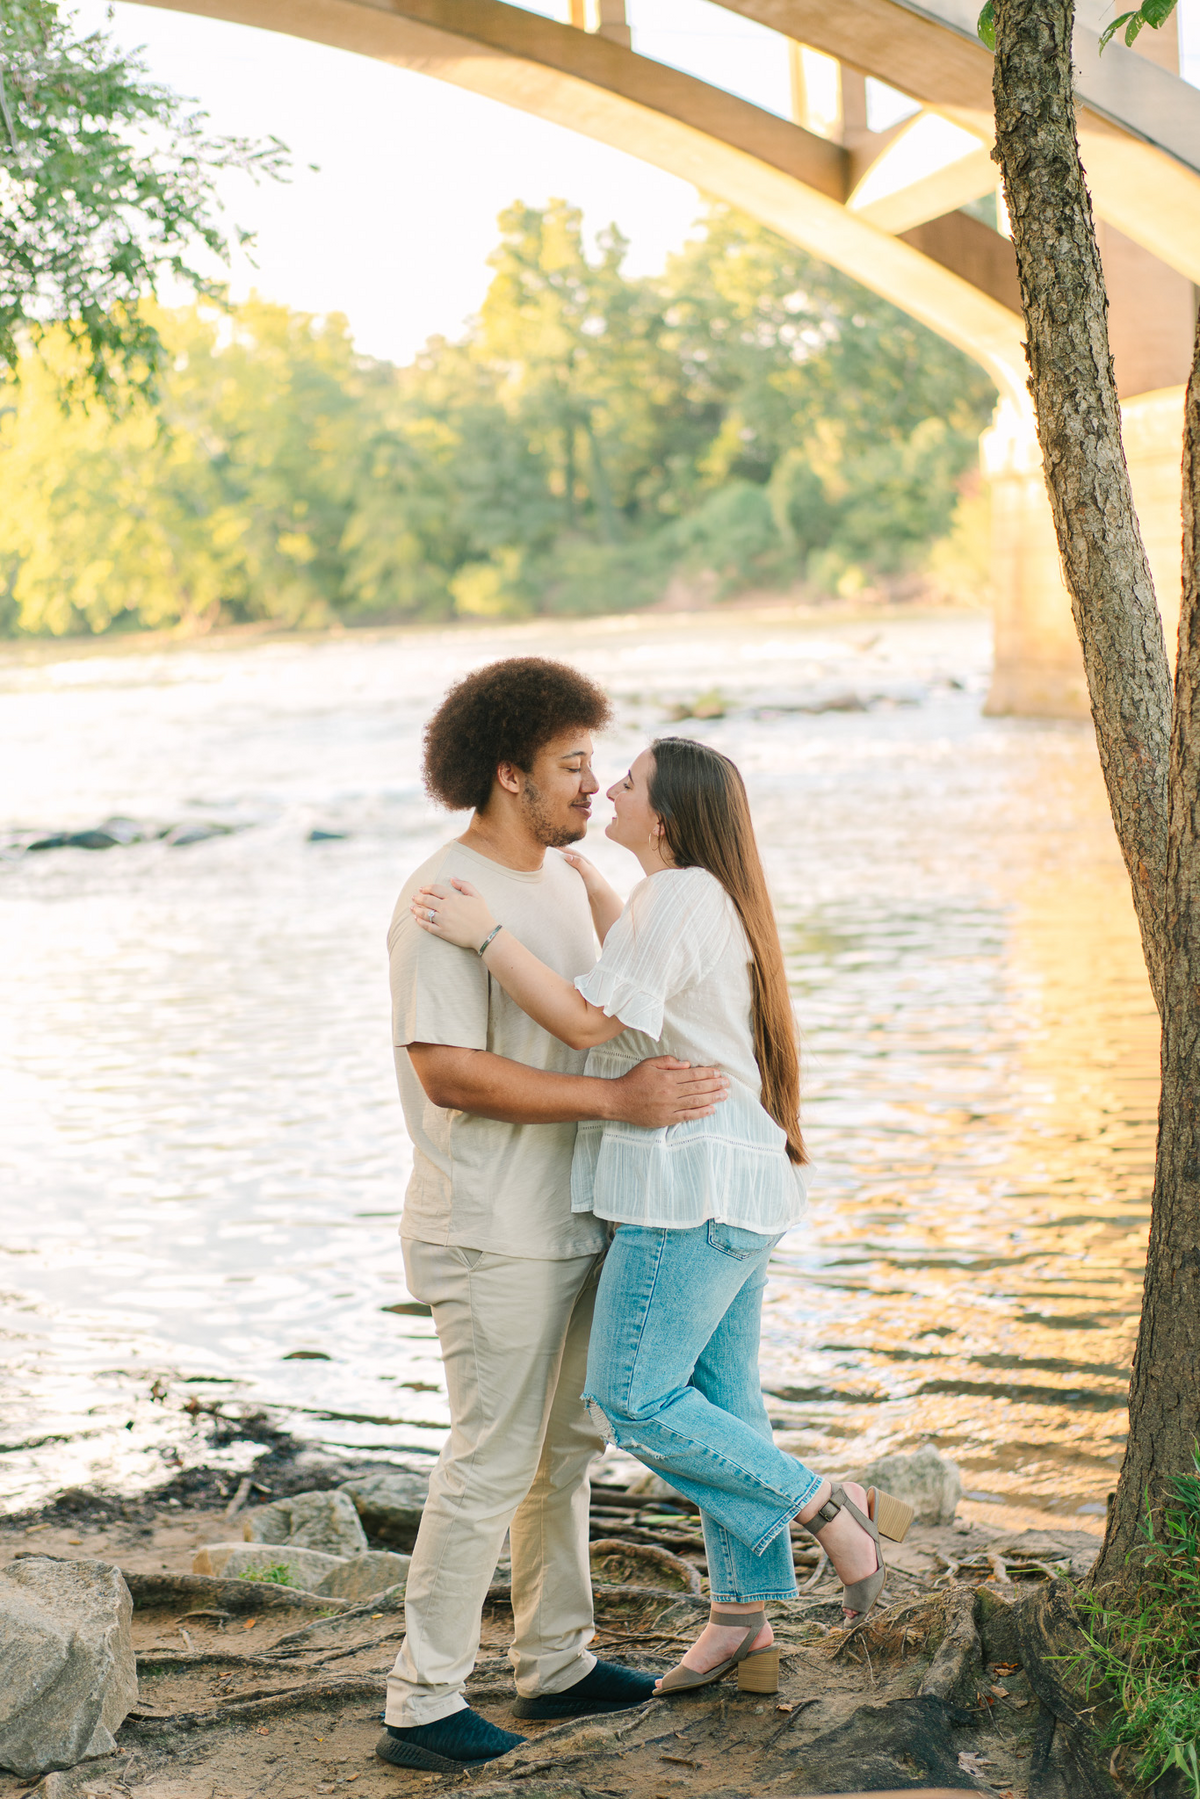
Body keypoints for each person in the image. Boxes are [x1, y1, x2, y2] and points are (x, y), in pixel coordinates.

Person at [413, 734, 914, 1700]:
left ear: (667, 814)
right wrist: (589, 881)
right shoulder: (685, 897)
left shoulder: (682, 895)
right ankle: (741, 1618)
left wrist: (486, 934)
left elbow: (591, 1022)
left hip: (684, 1192)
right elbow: (636, 972)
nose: (608, 787)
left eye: (630, 782)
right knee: (726, 1410)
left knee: (634, 1399)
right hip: (735, 1188)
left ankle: (829, 1502)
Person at [378, 664, 731, 1775]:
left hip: (579, 1210)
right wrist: (615, 1102)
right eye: (572, 764)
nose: (593, 782)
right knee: (490, 1457)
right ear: (509, 772)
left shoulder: (572, 882)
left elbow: (615, 1016)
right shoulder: (445, 895)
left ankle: (557, 1660)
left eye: (597, 763)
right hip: (490, 1222)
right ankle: (422, 1700)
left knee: (567, 1448)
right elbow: (450, 1073)